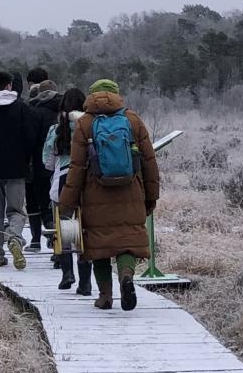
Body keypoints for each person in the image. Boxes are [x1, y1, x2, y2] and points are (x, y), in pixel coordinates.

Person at [58, 79, 160, 311]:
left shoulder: (84, 124)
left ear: (90, 98)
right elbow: (149, 162)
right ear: (117, 95)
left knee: (99, 247)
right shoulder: (133, 120)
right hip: (131, 192)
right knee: (127, 242)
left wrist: (67, 204)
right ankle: (126, 276)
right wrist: (151, 197)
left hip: (95, 196)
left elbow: (76, 168)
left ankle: (105, 297)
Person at [0, 71, 35, 269]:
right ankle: (14, 238)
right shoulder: (21, 108)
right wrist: (25, 160)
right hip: (16, 169)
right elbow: (30, 138)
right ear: (10, 85)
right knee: (17, 210)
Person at [44, 88, 89, 292]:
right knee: (84, 229)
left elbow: (48, 162)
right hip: (86, 181)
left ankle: (67, 273)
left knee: (62, 228)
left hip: (62, 178)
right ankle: (86, 281)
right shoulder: (90, 126)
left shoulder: (56, 129)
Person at [22, 68, 62, 252]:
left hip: (38, 163)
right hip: (61, 164)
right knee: (55, 204)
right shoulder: (64, 110)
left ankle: (36, 240)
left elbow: (28, 139)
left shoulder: (35, 112)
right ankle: (58, 243)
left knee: (33, 201)